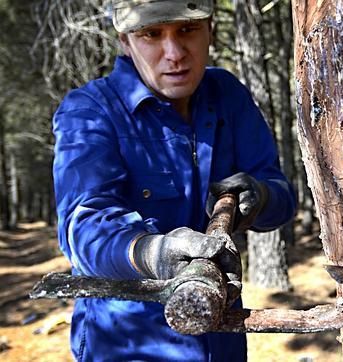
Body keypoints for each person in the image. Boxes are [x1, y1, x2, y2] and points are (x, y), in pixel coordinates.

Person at [51, 0, 297, 360]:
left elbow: (282, 197)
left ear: (210, 28)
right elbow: (83, 227)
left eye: (187, 30)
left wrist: (259, 197)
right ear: (124, 39)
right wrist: (152, 253)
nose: (175, 53)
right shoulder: (90, 110)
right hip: (129, 345)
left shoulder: (227, 95)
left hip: (223, 337)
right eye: (151, 34)